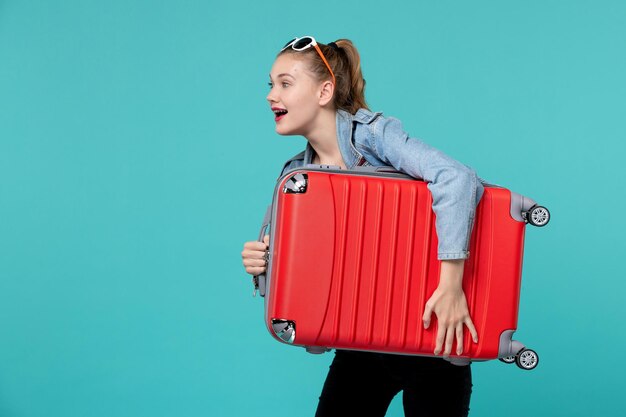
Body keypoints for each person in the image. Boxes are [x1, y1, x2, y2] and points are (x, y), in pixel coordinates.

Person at [241, 36, 484, 417]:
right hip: (362, 347)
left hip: (433, 339)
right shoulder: (295, 176)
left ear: (324, 91)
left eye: (285, 83)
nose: (272, 95)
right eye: (270, 84)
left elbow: (456, 179)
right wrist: (265, 264)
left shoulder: (371, 135)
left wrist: (451, 286)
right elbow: (306, 289)